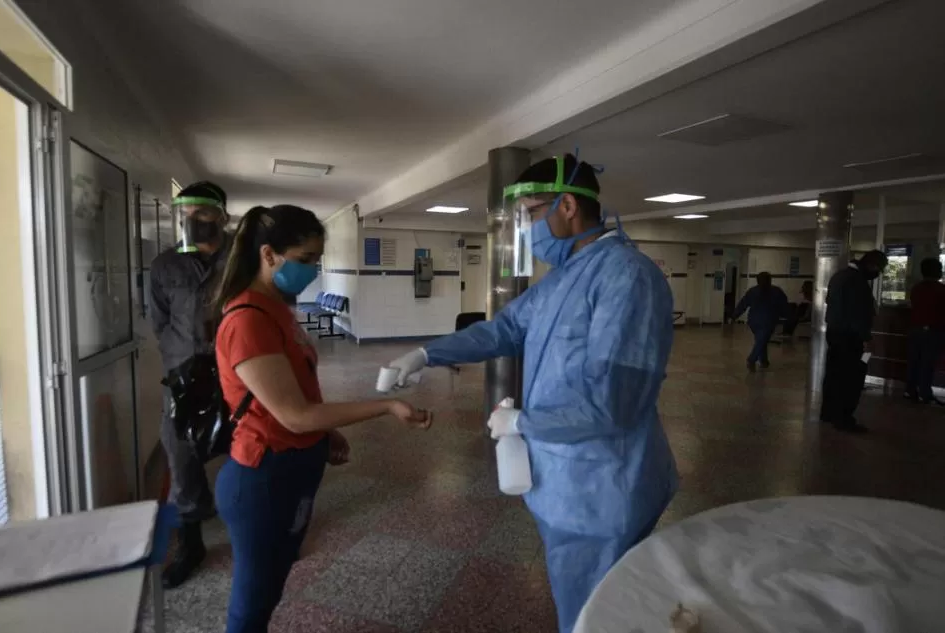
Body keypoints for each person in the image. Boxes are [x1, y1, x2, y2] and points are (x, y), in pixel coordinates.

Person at [384, 154, 678, 633]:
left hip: (605, 486)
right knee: (582, 601)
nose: (525, 228)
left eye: (530, 213)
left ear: (566, 205)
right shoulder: (562, 279)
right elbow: (502, 331)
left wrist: (522, 423)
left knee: (597, 615)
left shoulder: (626, 276)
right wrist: (424, 354)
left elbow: (615, 404)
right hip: (565, 480)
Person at [212, 205, 431, 633]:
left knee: (271, 586)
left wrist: (324, 429)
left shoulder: (277, 308)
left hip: (293, 468)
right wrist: (385, 406)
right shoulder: (248, 320)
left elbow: (293, 395)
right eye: (305, 259)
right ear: (269, 254)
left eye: (317, 260)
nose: (312, 270)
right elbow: (293, 415)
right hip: (262, 477)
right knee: (251, 603)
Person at [149, 181, 231, 588]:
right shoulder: (165, 265)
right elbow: (159, 321)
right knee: (181, 455)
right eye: (185, 213)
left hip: (237, 369)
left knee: (249, 448)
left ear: (222, 215)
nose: (192, 220)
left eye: (202, 213)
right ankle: (192, 543)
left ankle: (256, 529)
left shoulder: (244, 258)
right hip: (183, 373)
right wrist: (180, 354)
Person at [820, 250, 888, 433]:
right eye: (879, 268)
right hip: (853, 338)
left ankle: (828, 413)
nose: (878, 273)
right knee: (852, 377)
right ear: (872, 264)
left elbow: (830, 302)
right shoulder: (857, 282)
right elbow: (857, 314)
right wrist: (866, 339)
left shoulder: (839, 276)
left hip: (835, 333)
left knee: (834, 375)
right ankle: (843, 418)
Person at [905, 258, 945, 404]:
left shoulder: (916, 288)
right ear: (937, 271)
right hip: (933, 332)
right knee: (927, 364)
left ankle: (910, 391)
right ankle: (924, 393)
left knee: (914, 361)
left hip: (915, 330)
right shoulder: (941, 290)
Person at [732, 271, 790, 371]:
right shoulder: (776, 291)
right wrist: (787, 316)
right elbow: (784, 306)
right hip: (769, 320)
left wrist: (734, 316)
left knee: (761, 339)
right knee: (762, 340)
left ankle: (764, 361)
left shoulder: (752, 291)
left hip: (753, 321)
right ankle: (752, 359)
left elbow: (743, 304)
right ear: (770, 280)